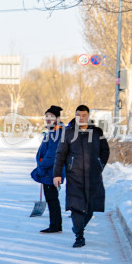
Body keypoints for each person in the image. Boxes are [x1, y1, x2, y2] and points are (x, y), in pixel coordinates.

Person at [52, 105, 110, 248]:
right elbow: (60, 154)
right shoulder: (69, 132)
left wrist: (99, 165)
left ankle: (79, 226)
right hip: (75, 175)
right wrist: (57, 174)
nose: (81, 117)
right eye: (78, 114)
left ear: (88, 116)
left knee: (90, 206)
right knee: (76, 206)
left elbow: (105, 151)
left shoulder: (97, 132)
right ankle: (79, 235)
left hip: (93, 176)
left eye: (83, 115)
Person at [31, 105, 65, 233]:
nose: (48, 119)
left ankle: (56, 226)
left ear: (57, 118)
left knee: (52, 199)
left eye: (51, 116)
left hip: (51, 171)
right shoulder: (53, 131)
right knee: (51, 198)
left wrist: (41, 166)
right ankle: (55, 224)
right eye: (47, 116)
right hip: (49, 171)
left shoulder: (57, 132)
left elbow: (52, 154)